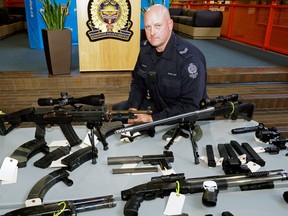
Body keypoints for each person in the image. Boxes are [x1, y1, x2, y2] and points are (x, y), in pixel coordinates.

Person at [113, 4, 207, 124]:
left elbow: (190, 106)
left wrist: (153, 119)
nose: (152, 33)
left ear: (169, 25)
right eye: (148, 27)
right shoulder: (145, 51)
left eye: (158, 26)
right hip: (158, 105)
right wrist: (133, 108)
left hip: (184, 114)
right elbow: (138, 83)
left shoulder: (190, 59)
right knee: (118, 111)